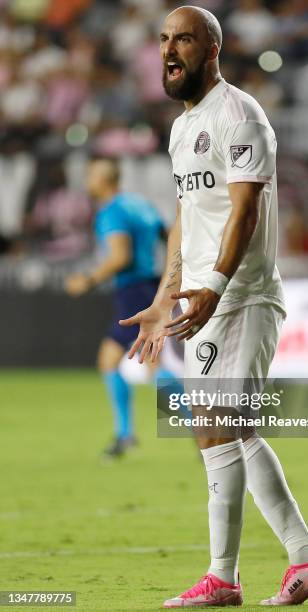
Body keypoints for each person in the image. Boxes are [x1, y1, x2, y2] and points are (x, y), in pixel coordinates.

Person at [120, 6, 308, 607]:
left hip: (242, 295)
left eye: (184, 39)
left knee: (219, 429)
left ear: (211, 49)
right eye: (164, 39)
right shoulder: (182, 128)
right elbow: (188, 218)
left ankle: (224, 576)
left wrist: (213, 284)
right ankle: (305, 559)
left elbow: (246, 211)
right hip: (203, 298)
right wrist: (167, 294)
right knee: (227, 432)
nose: (170, 50)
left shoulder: (239, 115)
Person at [65, 157, 165, 458]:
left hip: (133, 291)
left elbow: (120, 257)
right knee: (114, 359)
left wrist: (88, 280)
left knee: (146, 365)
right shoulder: (140, 204)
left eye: (91, 175)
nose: (87, 181)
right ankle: (125, 434)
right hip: (153, 285)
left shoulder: (111, 212)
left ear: (104, 180)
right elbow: (169, 235)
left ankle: (201, 426)